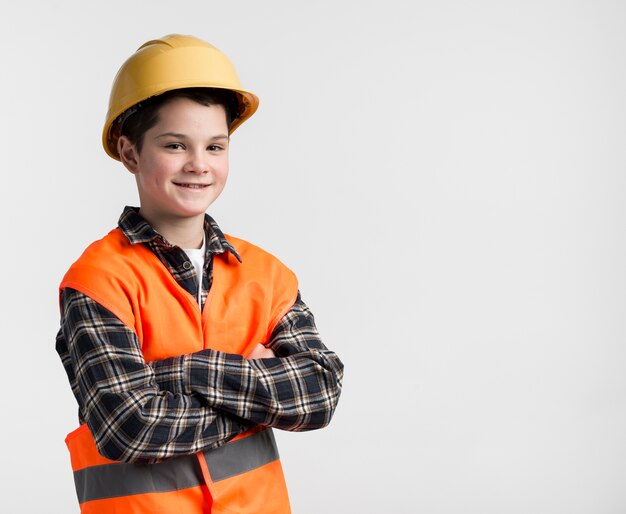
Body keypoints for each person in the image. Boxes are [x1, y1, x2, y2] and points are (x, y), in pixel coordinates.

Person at [55, 34, 344, 514]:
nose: (198, 165)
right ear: (129, 153)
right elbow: (129, 425)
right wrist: (257, 390)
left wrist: (182, 372)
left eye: (215, 146)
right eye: (175, 145)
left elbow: (319, 393)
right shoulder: (97, 280)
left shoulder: (266, 275)